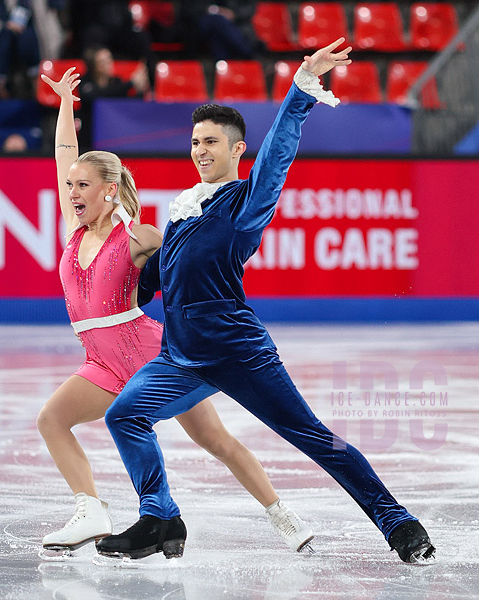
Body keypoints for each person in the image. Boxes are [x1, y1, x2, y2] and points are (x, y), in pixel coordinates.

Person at [97, 38, 436, 565]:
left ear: (236, 150)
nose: (200, 150)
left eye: (211, 141)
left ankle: (398, 522)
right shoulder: (183, 211)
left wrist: (300, 92)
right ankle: (159, 516)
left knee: (315, 440)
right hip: (180, 355)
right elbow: (151, 287)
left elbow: (277, 151)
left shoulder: (243, 204)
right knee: (124, 416)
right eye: (194, 141)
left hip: (238, 351)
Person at [36, 66, 315, 557]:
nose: (72, 192)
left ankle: (283, 515)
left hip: (149, 352)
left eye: (83, 186)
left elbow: (189, 265)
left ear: (108, 190)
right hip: (99, 360)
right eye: (71, 186)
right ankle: (91, 509)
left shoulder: (139, 236)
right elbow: (65, 159)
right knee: (52, 420)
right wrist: (65, 105)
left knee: (216, 440)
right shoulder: (74, 230)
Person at [180, 1, 264, 61]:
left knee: (218, 36)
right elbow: (188, 9)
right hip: (198, 26)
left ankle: (223, 66)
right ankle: (249, 52)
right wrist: (211, 9)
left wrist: (233, 14)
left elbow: (249, 8)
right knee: (216, 21)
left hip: (234, 26)